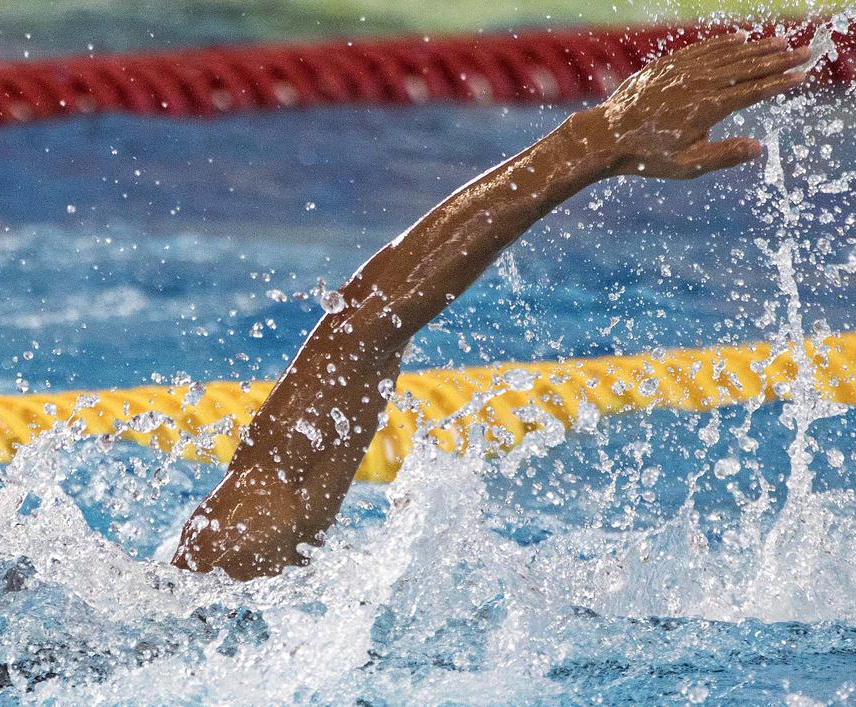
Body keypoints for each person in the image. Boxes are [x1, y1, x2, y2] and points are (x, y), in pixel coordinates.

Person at [172, 33, 812, 581]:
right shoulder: (210, 596)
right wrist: (594, 141)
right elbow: (359, 335)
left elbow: (360, 338)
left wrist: (597, 140)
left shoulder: (208, 591)